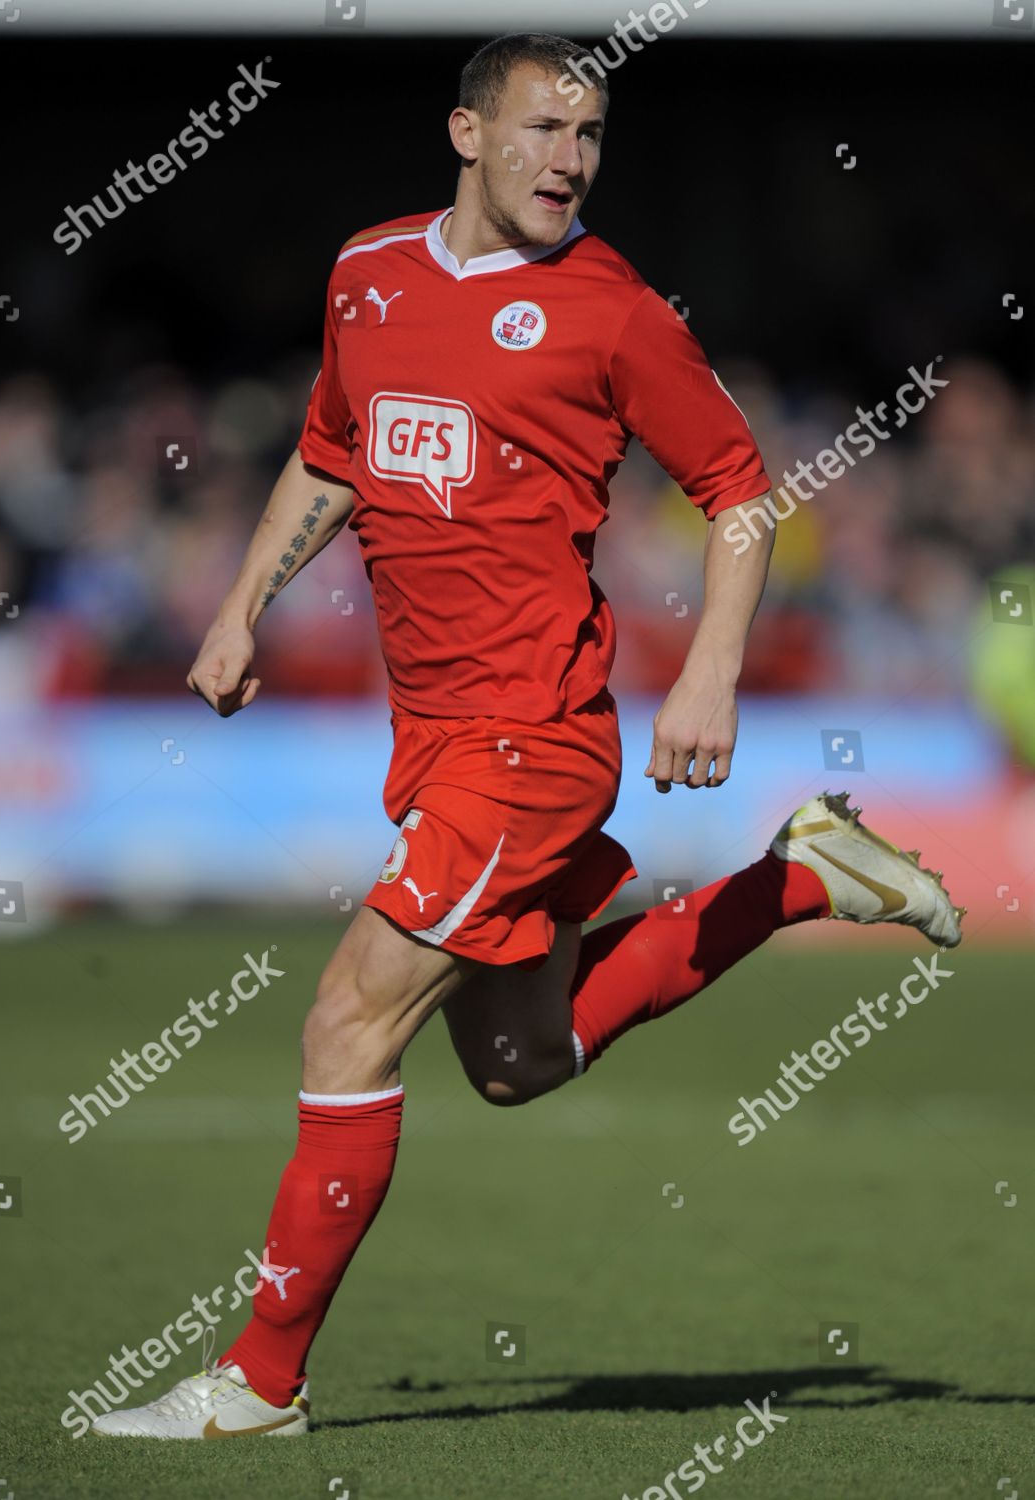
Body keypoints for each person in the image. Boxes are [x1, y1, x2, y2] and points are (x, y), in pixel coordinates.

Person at [92, 31, 961, 1439]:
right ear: (464, 133)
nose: (570, 158)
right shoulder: (365, 274)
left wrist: (708, 677)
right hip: (431, 736)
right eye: (544, 127)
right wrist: (243, 603)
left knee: (345, 1017)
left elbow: (741, 494)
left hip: (533, 739)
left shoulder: (611, 311)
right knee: (517, 1065)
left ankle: (257, 1381)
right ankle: (803, 875)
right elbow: (331, 448)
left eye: (591, 131)